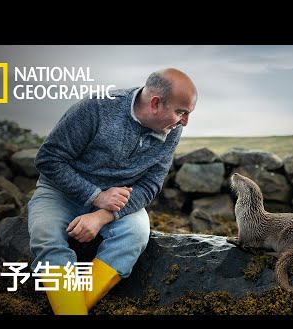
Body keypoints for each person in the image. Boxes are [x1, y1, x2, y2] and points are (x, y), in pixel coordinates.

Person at [28, 68, 198, 315]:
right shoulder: (94, 109)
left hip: (118, 202)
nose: (184, 122)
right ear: (155, 103)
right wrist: (96, 196)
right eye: (181, 112)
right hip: (59, 193)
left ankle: (72, 308)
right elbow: (48, 159)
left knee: (137, 232)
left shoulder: (172, 129)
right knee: (45, 234)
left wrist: (101, 215)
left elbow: (151, 185)